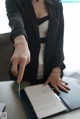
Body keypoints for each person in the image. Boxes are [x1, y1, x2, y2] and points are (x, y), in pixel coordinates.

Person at [6, 0, 70, 93]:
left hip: (51, 74)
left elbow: (59, 38)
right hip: (24, 73)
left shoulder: (56, 2)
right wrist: (20, 41)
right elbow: (15, 21)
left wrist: (57, 70)